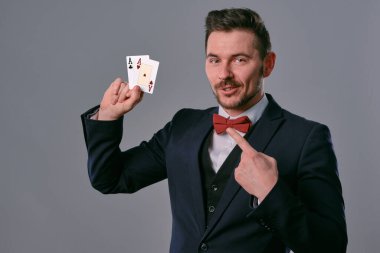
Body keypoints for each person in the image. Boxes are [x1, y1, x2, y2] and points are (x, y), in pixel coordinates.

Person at [81, 8, 347, 253]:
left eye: (240, 60)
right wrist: (107, 117)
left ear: (268, 64)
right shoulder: (183, 125)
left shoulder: (306, 138)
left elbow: (330, 246)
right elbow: (110, 178)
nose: (224, 74)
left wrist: (271, 192)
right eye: (214, 60)